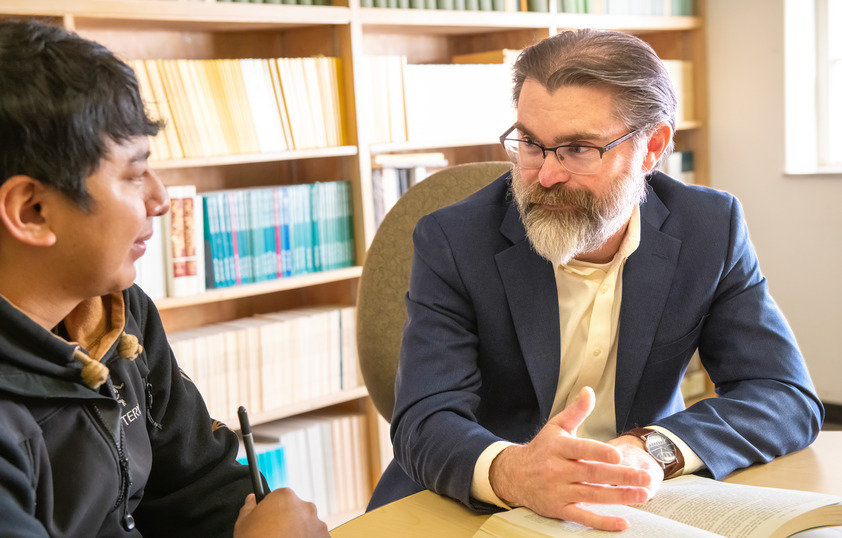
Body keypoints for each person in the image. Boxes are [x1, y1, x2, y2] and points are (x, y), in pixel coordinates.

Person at [368, 28, 824, 531]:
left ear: (652, 148)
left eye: (578, 148)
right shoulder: (453, 239)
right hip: (472, 505)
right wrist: (511, 471)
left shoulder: (709, 227)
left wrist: (650, 450)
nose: (545, 175)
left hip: (637, 501)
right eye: (530, 144)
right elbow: (424, 420)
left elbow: (784, 395)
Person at [0, 20, 328, 537]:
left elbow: (199, 484)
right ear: (33, 210)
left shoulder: (119, 315)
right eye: (134, 174)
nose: (161, 199)